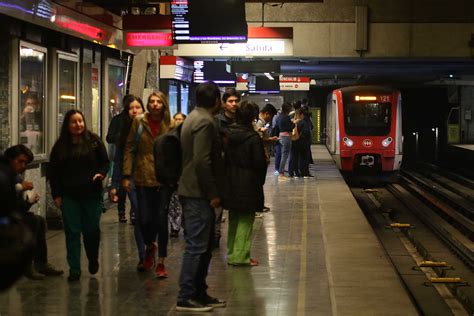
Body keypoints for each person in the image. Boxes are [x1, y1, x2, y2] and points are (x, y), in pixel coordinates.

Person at [176, 82, 226, 312]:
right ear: (216, 101)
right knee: (197, 246)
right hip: (198, 192)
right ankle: (187, 296)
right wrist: (213, 192)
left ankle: (199, 292)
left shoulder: (193, 117)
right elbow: (202, 161)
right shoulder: (205, 122)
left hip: (192, 189)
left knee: (203, 246)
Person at [49, 110, 109, 282]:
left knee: (91, 230)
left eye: (80, 121)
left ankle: (92, 258)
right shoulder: (60, 146)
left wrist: (101, 174)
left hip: (91, 194)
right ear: (67, 125)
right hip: (69, 196)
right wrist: (57, 195)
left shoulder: (94, 142)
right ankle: (74, 269)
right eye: (74, 122)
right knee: (72, 231)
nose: (78, 125)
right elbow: (54, 173)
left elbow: (105, 162)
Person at [122, 91, 173, 278]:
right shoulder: (139, 122)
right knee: (143, 219)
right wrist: (126, 174)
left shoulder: (170, 124)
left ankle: (161, 261)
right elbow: (130, 148)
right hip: (143, 176)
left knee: (161, 220)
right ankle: (150, 244)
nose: (154, 105)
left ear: (164, 104)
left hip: (163, 179)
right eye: (151, 101)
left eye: (158, 101)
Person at [0, 144, 63, 281]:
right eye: (20, 161)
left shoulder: (16, 177)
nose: (22, 166)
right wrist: (19, 188)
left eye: (25, 163)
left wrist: (29, 202)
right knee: (32, 222)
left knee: (38, 220)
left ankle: (41, 263)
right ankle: (26, 265)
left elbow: (17, 207)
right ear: (10, 160)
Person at [223, 101, 267, 266]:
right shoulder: (253, 138)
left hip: (229, 180)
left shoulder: (226, 133)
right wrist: (259, 183)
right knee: (246, 219)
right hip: (248, 182)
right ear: (252, 118)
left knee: (233, 217)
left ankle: (232, 253)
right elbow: (259, 164)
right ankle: (241, 256)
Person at [109, 95, 147, 271]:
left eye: (138, 107)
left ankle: (152, 248)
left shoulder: (151, 128)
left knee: (151, 217)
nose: (135, 111)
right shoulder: (122, 131)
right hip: (131, 178)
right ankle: (143, 255)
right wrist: (114, 184)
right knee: (139, 215)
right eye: (131, 108)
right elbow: (118, 159)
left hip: (151, 178)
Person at [213, 88, 240, 248]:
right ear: (223, 104)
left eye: (236, 101)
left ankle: (233, 241)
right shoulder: (216, 121)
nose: (234, 104)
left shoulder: (242, 121)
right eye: (230, 101)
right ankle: (215, 237)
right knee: (217, 209)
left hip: (236, 170)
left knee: (236, 208)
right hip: (220, 170)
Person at [106, 96, 131, 223]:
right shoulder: (118, 120)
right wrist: (119, 137)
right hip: (121, 155)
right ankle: (122, 211)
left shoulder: (140, 121)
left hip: (134, 158)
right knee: (122, 186)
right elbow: (108, 137)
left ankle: (133, 212)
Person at [255, 103, 278, 214]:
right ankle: (258, 206)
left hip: (261, 155)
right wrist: (270, 140)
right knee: (258, 182)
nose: (271, 119)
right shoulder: (259, 123)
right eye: (271, 116)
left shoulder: (261, 122)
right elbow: (259, 141)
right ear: (266, 114)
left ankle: (259, 205)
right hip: (260, 156)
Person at [169, 112, 187, 238]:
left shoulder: (187, 137)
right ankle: (174, 227)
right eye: (176, 119)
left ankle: (185, 225)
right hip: (173, 175)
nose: (178, 121)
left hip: (184, 175)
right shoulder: (169, 136)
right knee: (174, 203)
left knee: (184, 203)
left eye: (180, 119)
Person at [276, 102, 295, 179]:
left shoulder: (280, 117)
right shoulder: (286, 117)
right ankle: (281, 173)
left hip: (281, 136)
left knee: (282, 155)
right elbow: (290, 127)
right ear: (287, 108)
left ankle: (281, 171)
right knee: (285, 155)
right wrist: (293, 123)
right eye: (290, 108)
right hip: (286, 137)